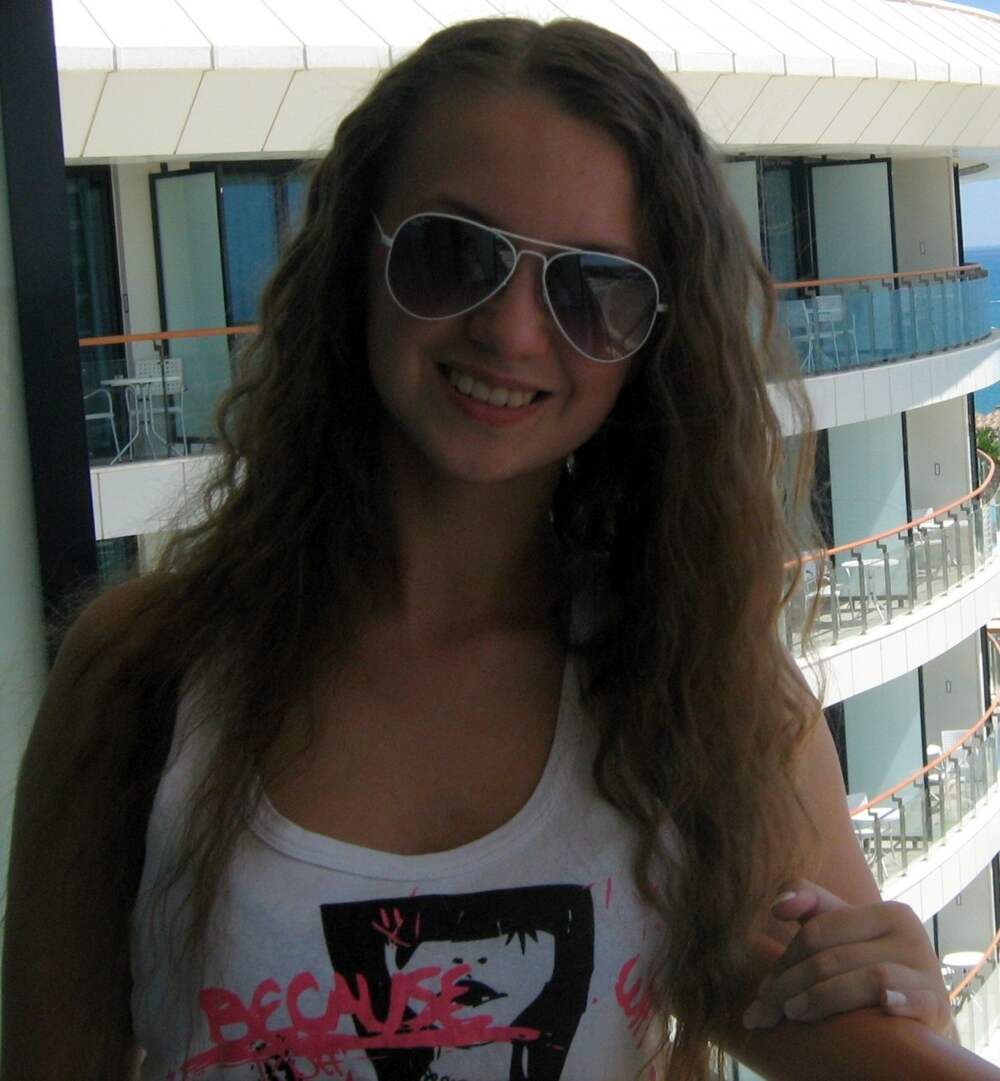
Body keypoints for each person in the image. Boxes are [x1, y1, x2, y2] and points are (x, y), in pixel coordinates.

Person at [3, 16, 995, 1081]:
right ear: (356, 257)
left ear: (651, 343)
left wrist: (902, 998)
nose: (513, 331)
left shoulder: (701, 693)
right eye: (453, 255)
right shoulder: (142, 677)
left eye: (592, 289)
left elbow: (846, 1013)